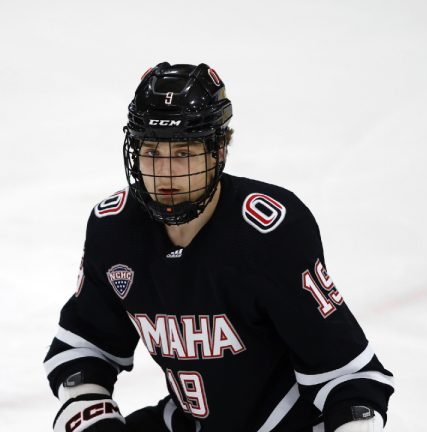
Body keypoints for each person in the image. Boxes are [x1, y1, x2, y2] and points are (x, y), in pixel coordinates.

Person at [43, 62, 394, 432]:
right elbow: (83, 349)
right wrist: (91, 414)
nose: (164, 173)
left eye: (183, 153)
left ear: (220, 149)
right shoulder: (115, 229)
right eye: (151, 151)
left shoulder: (268, 232)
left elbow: (350, 381)